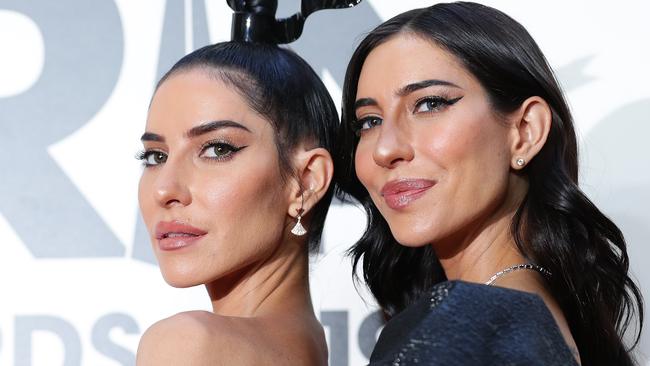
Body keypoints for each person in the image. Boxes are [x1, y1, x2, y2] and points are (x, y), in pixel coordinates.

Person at [335, 2, 644, 365]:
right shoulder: (531, 314)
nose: (385, 148)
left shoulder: (475, 325)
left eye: (430, 103)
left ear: (525, 132)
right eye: (369, 122)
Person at [134, 0, 355, 363]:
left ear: (306, 180)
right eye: (155, 156)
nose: (165, 189)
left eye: (217, 149)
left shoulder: (189, 345)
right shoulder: (307, 347)